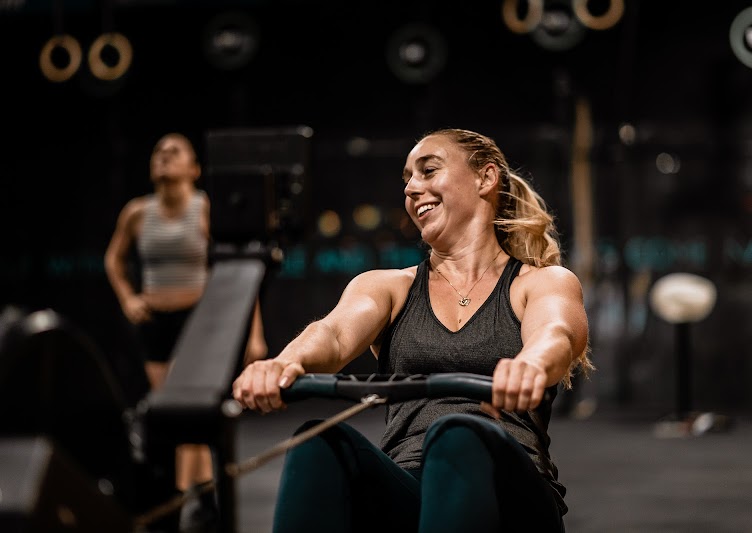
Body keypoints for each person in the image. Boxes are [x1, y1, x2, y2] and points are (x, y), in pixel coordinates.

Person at [232, 128, 593, 532]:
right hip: (413, 489)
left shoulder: (540, 282)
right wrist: (283, 363)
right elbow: (333, 334)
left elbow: (556, 333)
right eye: (407, 180)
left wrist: (532, 363)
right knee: (318, 442)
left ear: (486, 178)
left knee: (457, 433)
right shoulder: (388, 287)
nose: (411, 188)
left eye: (428, 170)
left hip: (512, 496)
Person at [105, 132, 268, 528]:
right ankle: (200, 497)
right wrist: (128, 298)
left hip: (198, 320)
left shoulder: (204, 208)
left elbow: (239, 266)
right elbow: (114, 259)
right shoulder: (137, 213)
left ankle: (187, 500)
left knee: (187, 412)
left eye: (174, 151)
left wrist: (254, 333)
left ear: (194, 169)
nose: (164, 156)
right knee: (169, 416)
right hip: (154, 324)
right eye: (158, 151)